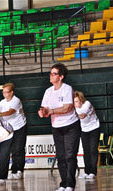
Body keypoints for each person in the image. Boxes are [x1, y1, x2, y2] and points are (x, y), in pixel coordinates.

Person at [38, 63, 80, 191]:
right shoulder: (48, 91)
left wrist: (51, 111)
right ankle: (63, 183)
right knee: (61, 156)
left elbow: (68, 107)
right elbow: (44, 108)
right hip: (56, 126)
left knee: (70, 155)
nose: (50, 76)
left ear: (61, 77)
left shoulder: (67, 89)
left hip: (71, 125)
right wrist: (42, 112)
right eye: (50, 73)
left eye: (54, 73)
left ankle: (70, 185)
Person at [0, 83, 27, 180]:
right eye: (3, 92)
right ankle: (13, 171)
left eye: (6, 92)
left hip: (20, 127)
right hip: (10, 128)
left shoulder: (16, 100)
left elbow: (10, 112)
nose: (4, 94)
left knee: (18, 149)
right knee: (11, 150)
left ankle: (19, 170)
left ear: (12, 92)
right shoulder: (2, 102)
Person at [74, 91, 100, 180]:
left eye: (77, 101)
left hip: (94, 128)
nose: (76, 103)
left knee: (93, 150)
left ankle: (93, 172)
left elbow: (82, 116)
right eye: (74, 102)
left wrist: (73, 111)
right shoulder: (75, 108)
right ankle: (87, 171)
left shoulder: (87, 104)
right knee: (86, 151)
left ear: (81, 100)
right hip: (84, 130)